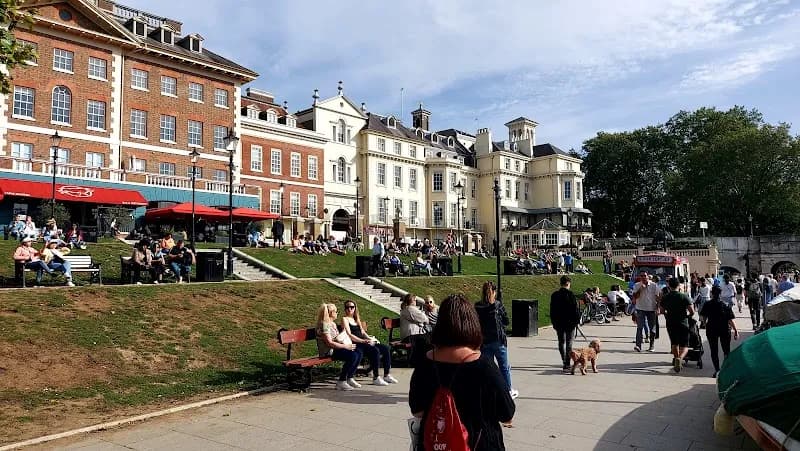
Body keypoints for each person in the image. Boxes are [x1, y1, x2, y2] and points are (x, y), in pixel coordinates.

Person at [409, 294, 515, 450]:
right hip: (479, 443)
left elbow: (417, 411)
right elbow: (507, 415)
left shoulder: (425, 363)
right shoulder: (484, 366)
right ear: (472, 323)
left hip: (437, 443)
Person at [475, 281, 518, 399]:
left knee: (488, 368)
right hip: (498, 341)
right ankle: (508, 390)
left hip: (485, 341)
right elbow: (506, 321)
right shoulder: (497, 305)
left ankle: (488, 392)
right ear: (494, 292)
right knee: (504, 367)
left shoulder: (478, 306)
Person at [340, 300, 397, 386]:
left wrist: (370, 339)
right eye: (347, 307)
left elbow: (363, 332)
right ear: (345, 309)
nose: (349, 309)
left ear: (355, 308)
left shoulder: (356, 319)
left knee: (385, 348)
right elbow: (349, 334)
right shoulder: (345, 319)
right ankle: (376, 377)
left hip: (364, 342)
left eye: (352, 307)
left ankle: (386, 375)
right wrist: (362, 340)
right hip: (356, 343)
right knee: (375, 350)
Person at [315, 303, 363, 391]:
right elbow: (329, 343)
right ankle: (341, 381)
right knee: (352, 356)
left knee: (359, 352)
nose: (337, 313)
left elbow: (335, 339)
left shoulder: (332, 324)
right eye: (336, 312)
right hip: (329, 352)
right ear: (331, 313)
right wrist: (346, 346)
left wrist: (343, 334)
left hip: (336, 348)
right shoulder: (324, 325)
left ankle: (350, 377)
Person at [700, 286, 739, 378]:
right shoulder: (725, 304)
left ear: (712, 293)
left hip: (711, 329)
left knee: (714, 350)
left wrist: (705, 324)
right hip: (724, 329)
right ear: (720, 294)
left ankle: (717, 370)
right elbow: (730, 319)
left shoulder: (707, 304)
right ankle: (725, 369)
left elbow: (703, 317)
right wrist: (736, 330)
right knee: (726, 350)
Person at [660, 278, 695, 373]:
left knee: (674, 343)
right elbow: (692, 311)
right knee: (684, 345)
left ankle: (676, 359)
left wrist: (667, 315)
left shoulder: (665, 297)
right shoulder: (684, 296)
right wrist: (688, 316)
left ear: (669, 286)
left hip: (670, 322)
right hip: (683, 322)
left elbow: (662, 311)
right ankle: (680, 358)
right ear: (679, 285)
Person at [550, 275, 581, 373]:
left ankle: (564, 361)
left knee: (561, 342)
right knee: (569, 343)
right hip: (570, 323)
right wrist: (577, 321)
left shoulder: (555, 295)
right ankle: (567, 363)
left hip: (558, 322)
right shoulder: (571, 294)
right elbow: (575, 310)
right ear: (568, 283)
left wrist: (554, 322)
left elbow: (552, 310)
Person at [632, 271, 660, 352]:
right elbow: (635, 297)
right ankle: (638, 346)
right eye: (641, 276)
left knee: (652, 328)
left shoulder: (654, 285)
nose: (643, 277)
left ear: (648, 276)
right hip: (640, 308)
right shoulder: (637, 285)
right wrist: (641, 289)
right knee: (639, 327)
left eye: (644, 275)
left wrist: (658, 308)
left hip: (651, 309)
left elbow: (658, 297)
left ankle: (651, 346)